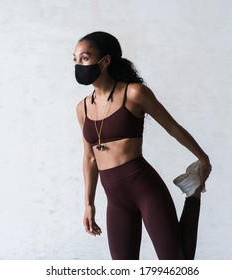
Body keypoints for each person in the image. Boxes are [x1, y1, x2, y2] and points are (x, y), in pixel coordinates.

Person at [74, 31, 212, 260]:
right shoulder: (83, 108)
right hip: (115, 199)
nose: (79, 64)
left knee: (176, 263)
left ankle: (193, 193)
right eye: (75, 59)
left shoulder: (134, 93)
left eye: (85, 58)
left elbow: (173, 127)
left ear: (105, 61)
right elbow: (89, 158)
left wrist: (203, 158)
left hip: (143, 187)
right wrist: (88, 203)